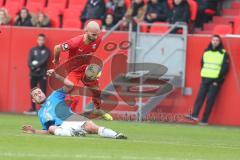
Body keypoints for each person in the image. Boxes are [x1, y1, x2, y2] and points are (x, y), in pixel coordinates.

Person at [22, 69, 127, 139]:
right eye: (35, 95)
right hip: (62, 128)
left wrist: (57, 76)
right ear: (34, 100)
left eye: (39, 92)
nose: (39, 95)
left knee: (92, 128)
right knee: (51, 128)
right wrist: (34, 131)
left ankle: (116, 135)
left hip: (73, 118)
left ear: (43, 92)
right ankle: (74, 133)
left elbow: (70, 85)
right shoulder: (41, 114)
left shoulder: (54, 95)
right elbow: (48, 131)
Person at [52, 21, 113, 121]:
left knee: (96, 90)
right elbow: (57, 48)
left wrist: (93, 69)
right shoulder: (75, 42)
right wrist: (56, 60)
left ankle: (98, 109)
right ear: (86, 31)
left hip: (85, 69)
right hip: (73, 70)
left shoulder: (98, 40)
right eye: (93, 34)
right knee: (74, 96)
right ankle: (67, 118)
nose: (95, 37)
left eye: (97, 34)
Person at [185, 35, 229, 125]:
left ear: (219, 42)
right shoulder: (206, 51)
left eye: (217, 40)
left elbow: (225, 68)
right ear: (211, 41)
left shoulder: (223, 53)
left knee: (210, 100)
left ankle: (204, 120)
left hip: (215, 81)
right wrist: (203, 77)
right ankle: (194, 115)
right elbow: (202, 64)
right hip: (205, 79)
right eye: (213, 40)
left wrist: (217, 81)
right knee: (199, 98)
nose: (215, 42)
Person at [24, 34, 50, 115]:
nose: (41, 41)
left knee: (42, 91)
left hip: (42, 74)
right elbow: (29, 61)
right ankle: (33, 108)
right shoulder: (33, 50)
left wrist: (36, 66)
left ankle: (44, 109)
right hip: (33, 74)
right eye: (39, 39)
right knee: (33, 92)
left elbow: (44, 61)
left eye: (42, 40)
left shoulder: (47, 50)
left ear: (44, 41)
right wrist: (33, 67)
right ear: (37, 40)